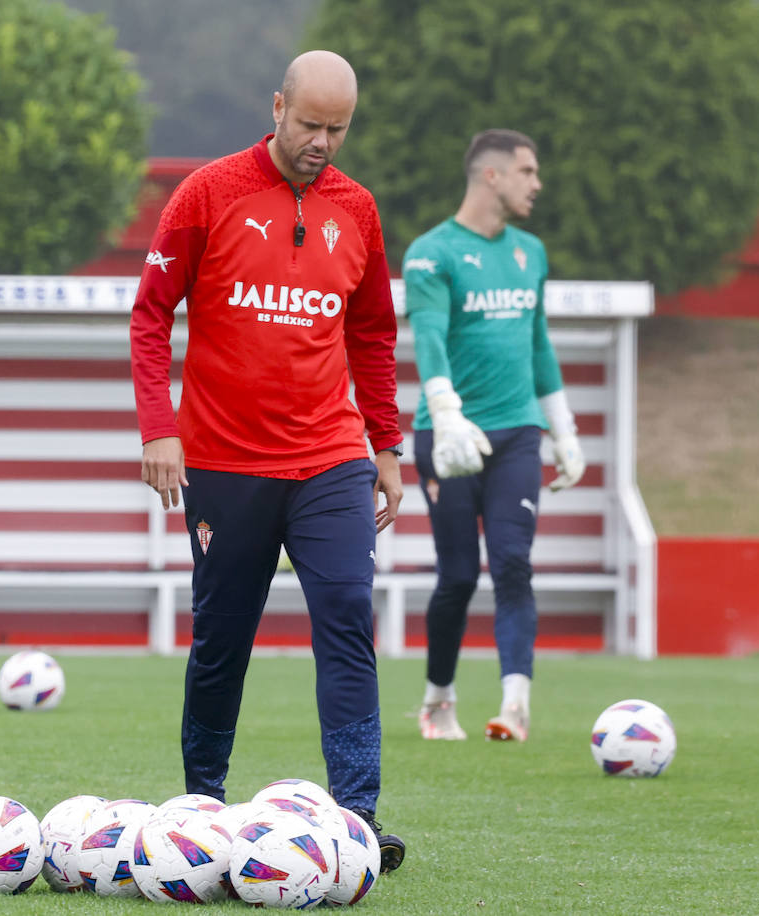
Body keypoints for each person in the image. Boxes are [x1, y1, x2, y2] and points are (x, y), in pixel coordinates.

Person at [129, 49, 406, 872]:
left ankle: (356, 818)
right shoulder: (208, 194)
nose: (323, 142)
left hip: (329, 459)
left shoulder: (358, 210)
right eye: (310, 124)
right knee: (222, 639)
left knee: (349, 616)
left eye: (338, 129)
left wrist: (386, 445)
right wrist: (158, 427)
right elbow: (150, 316)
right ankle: (202, 810)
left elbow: (372, 335)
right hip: (223, 463)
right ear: (278, 105)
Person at [402, 129, 585, 744]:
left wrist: (563, 429)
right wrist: (445, 410)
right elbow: (427, 334)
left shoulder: (530, 252)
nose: (537, 183)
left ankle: (515, 705)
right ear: (492, 176)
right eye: (527, 171)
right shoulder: (432, 253)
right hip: (447, 438)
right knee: (457, 576)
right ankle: (438, 701)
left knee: (512, 564)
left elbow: (538, 344)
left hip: (516, 435)